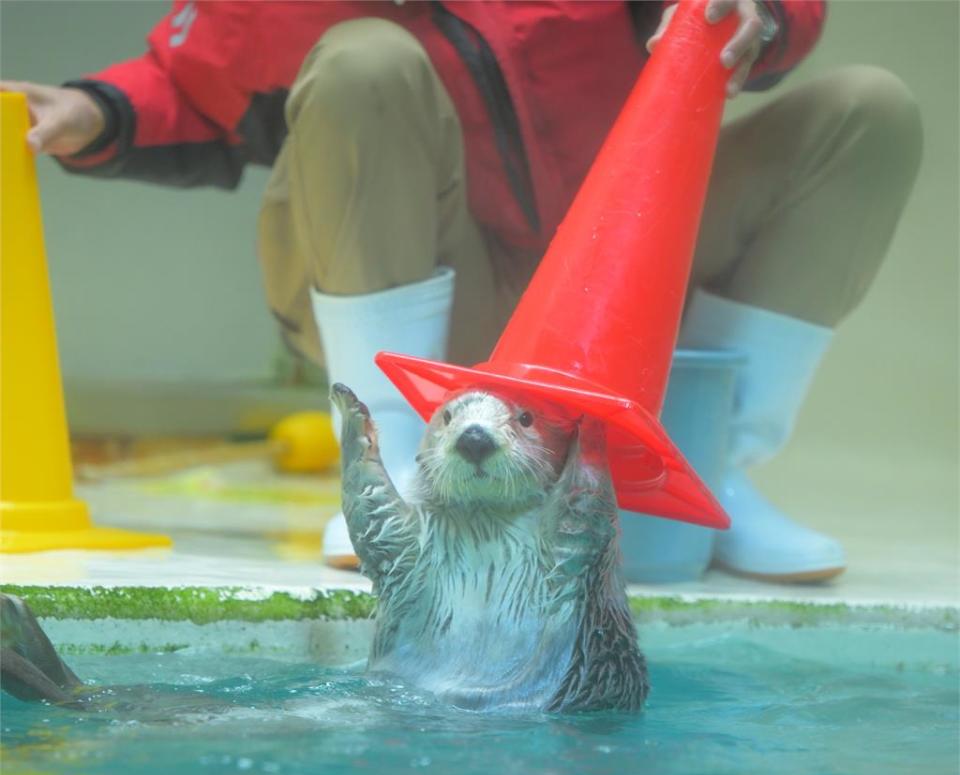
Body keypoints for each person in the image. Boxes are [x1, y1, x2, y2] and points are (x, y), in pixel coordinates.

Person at [2, 0, 921, 581]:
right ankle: (392, 460)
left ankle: (710, 462)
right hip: (428, 288)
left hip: (616, 275)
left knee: (865, 110)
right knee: (363, 57)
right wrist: (101, 110)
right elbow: (198, 75)